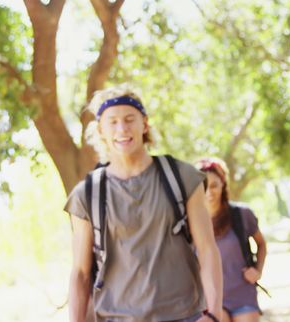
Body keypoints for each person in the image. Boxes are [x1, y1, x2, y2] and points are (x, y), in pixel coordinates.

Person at [65, 85, 223, 322]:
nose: (122, 128)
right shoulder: (86, 194)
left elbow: (208, 248)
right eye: (113, 122)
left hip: (184, 315)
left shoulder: (182, 177)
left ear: (145, 124)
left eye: (130, 119)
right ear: (101, 130)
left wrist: (213, 314)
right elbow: (80, 272)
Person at [195, 157, 267, 322]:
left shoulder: (242, 214)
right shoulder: (191, 221)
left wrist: (257, 270)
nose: (209, 192)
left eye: (214, 185)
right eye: (203, 186)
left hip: (242, 294)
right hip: (209, 298)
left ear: (223, 184)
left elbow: (261, 244)